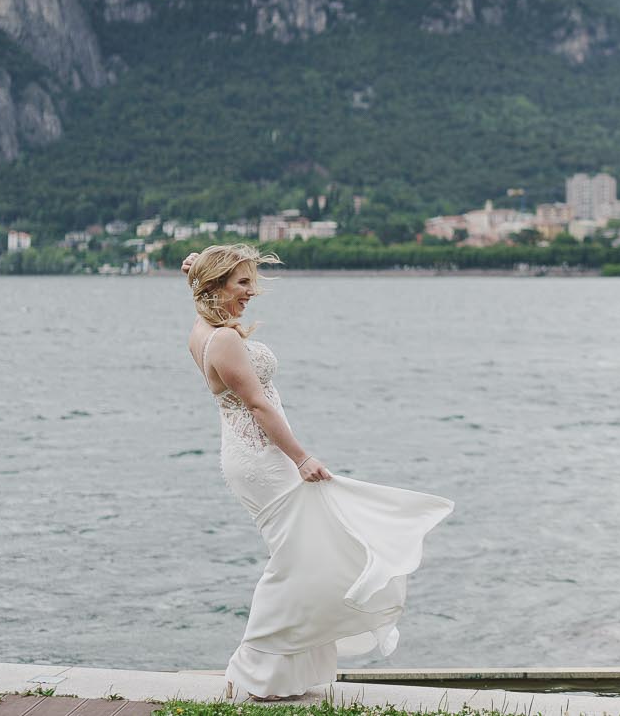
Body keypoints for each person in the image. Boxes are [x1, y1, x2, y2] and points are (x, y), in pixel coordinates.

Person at [184, 244, 454, 700]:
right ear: (216, 286)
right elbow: (257, 404)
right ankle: (251, 665)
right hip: (264, 459)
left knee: (309, 553)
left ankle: (282, 675)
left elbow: (204, 295)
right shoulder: (225, 339)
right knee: (294, 561)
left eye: (252, 281)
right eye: (243, 283)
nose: (252, 292)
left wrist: (194, 268)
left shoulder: (203, 327)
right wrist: (302, 458)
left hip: (251, 454)